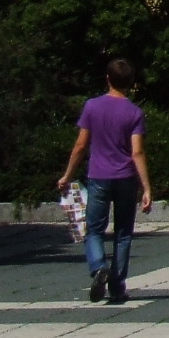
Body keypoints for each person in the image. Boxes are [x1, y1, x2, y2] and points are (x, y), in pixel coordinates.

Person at [58, 58, 154, 305]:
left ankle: (99, 266)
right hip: (125, 178)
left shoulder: (92, 107)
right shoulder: (134, 112)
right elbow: (137, 152)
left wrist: (68, 175)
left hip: (98, 176)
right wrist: (146, 187)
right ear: (131, 83)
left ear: (107, 78)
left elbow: (81, 145)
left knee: (94, 230)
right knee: (123, 233)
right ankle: (117, 284)